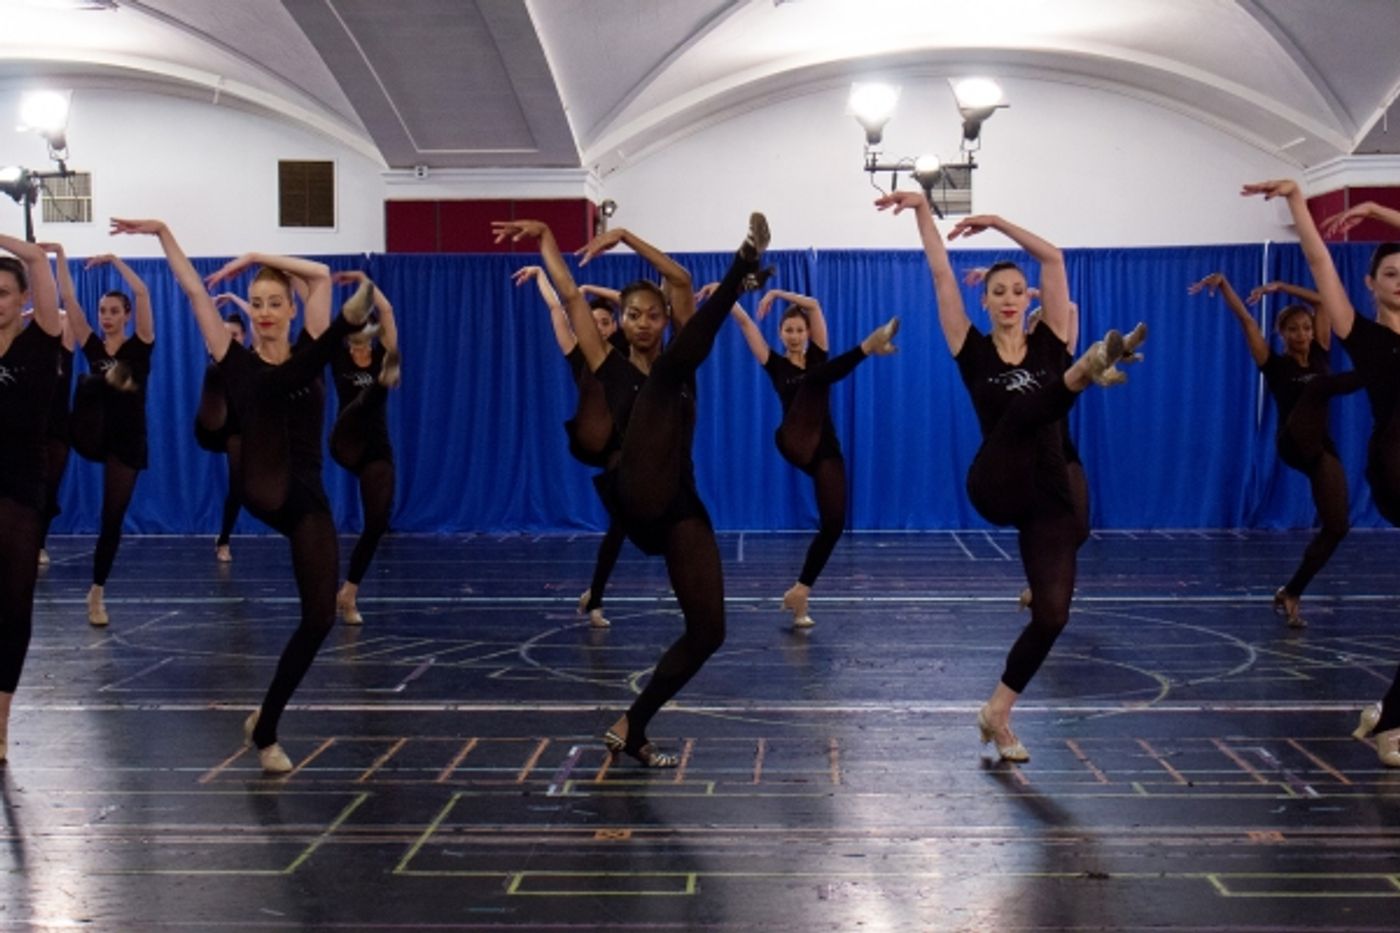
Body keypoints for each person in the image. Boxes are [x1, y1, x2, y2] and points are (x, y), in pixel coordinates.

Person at [493, 212, 770, 768]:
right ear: (619, 320)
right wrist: (550, 237)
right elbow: (570, 295)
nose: (641, 323)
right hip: (634, 494)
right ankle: (745, 265)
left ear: (665, 319)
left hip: (678, 503)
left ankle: (631, 726)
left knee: (709, 630)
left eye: (651, 315)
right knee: (667, 375)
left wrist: (625, 237)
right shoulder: (609, 363)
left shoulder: (681, 358)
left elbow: (684, 284)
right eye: (631, 315)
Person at [877, 190, 1145, 762]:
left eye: (1016, 291)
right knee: (1031, 410)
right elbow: (940, 270)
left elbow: (1053, 260)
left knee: (1053, 614)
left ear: (1028, 300)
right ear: (986, 300)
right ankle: (1085, 375)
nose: (1008, 298)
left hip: (1047, 488)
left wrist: (998, 220)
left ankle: (996, 712)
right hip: (996, 482)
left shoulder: (1051, 338)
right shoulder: (969, 349)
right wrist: (926, 210)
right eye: (997, 291)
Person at [112, 217, 372, 774]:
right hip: (262, 485)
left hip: (306, 494)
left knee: (320, 617)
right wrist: (163, 232)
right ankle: (266, 726)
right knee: (280, 379)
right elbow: (189, 288)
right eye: (256, 302)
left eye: (275, 301)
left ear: (291, 310)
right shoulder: (235, 359)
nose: (264, 311)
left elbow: (323, 276)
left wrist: (258, 251)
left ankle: (266, 725)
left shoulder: (307, 339)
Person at [1243, 185, 1400, 767]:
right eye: (1389, 273)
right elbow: (1318, 261)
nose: (1399, 280)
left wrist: (1383, 211)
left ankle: (1387, 718)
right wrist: (1297, 203)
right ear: (1371, 284)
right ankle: (1390, 720)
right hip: (1394, 467)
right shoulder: (1362, 334)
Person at [1189, 271, 1361, 627]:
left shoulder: (1322, 353)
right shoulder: (1275, 364)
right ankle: (1369, 375)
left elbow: (1319, 301)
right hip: (1292, 442)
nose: (1302, 335)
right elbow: (1246, 320)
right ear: (1282, 335)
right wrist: (1224, 286)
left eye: (1306, 328)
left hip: (1320, 450)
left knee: (1337, 526)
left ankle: (1292, 590)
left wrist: (1282, 286)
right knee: (1317, 391)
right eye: (1294, 330)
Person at [728, 288, 898, 627]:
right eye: (788, 330)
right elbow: (746, 323)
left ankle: (800, 591)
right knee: (814, 380)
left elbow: (815, 306)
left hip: (824, 448)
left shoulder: (820, 356)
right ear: (780, 334)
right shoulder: (774, 364)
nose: (793, 336)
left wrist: (776, 292)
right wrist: (724, 293)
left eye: (799, 330)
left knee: (833, 524)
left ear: (807, 333)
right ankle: (869, 346)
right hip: (792, 439)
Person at [515, 265, 628, 628]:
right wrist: (539, 277)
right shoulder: (577, 352)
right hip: (595, 440)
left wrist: (593, 287)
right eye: (591, 321)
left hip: (625, 441)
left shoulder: (624, 349)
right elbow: (556, 310)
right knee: (623, 521)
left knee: (623, 524)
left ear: (614, 327)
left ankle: (594, 596)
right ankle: (595, 598)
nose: (598, 326)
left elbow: (630, 303)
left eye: (605, 322)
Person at [59, 251, 154, 627]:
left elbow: (143, 292)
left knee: (111, 518)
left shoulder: (140, 346)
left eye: (114, 311)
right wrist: (60, 258)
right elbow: (68, 301)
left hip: (127, 442)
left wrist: (115, 261)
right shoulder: (93, 348)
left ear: (126, 315)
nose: (107, 317)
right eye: (103, 310)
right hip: (92, 433)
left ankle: (96, 591)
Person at [0, 234, 63, 762]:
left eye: (2, 291)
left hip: (22, 487)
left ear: (20, 297)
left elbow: (38, 258)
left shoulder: (42, 338)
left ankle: (0, 721)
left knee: (15, 604)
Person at [328, 270, 402, 626]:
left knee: (377, 522)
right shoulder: (339, 361)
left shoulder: (382, 357)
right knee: (367, 397)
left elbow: (387, 314)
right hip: (345, 440)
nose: (361, 343)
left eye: (366, 337)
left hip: (375, 447)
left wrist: (365, 281)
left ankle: (348, 593)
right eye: (355, 337)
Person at [196, 297, 250, 563]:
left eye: (236, 335)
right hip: (216, 425)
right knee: (218, 367)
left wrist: (236, 300)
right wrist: (212, 317)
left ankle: (223, 539)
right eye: (225, 334)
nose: (231, 339)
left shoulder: (252, 357)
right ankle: (224, 540)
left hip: (242, 427)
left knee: (240, 487)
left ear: (245, 336)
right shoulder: (217, 357)